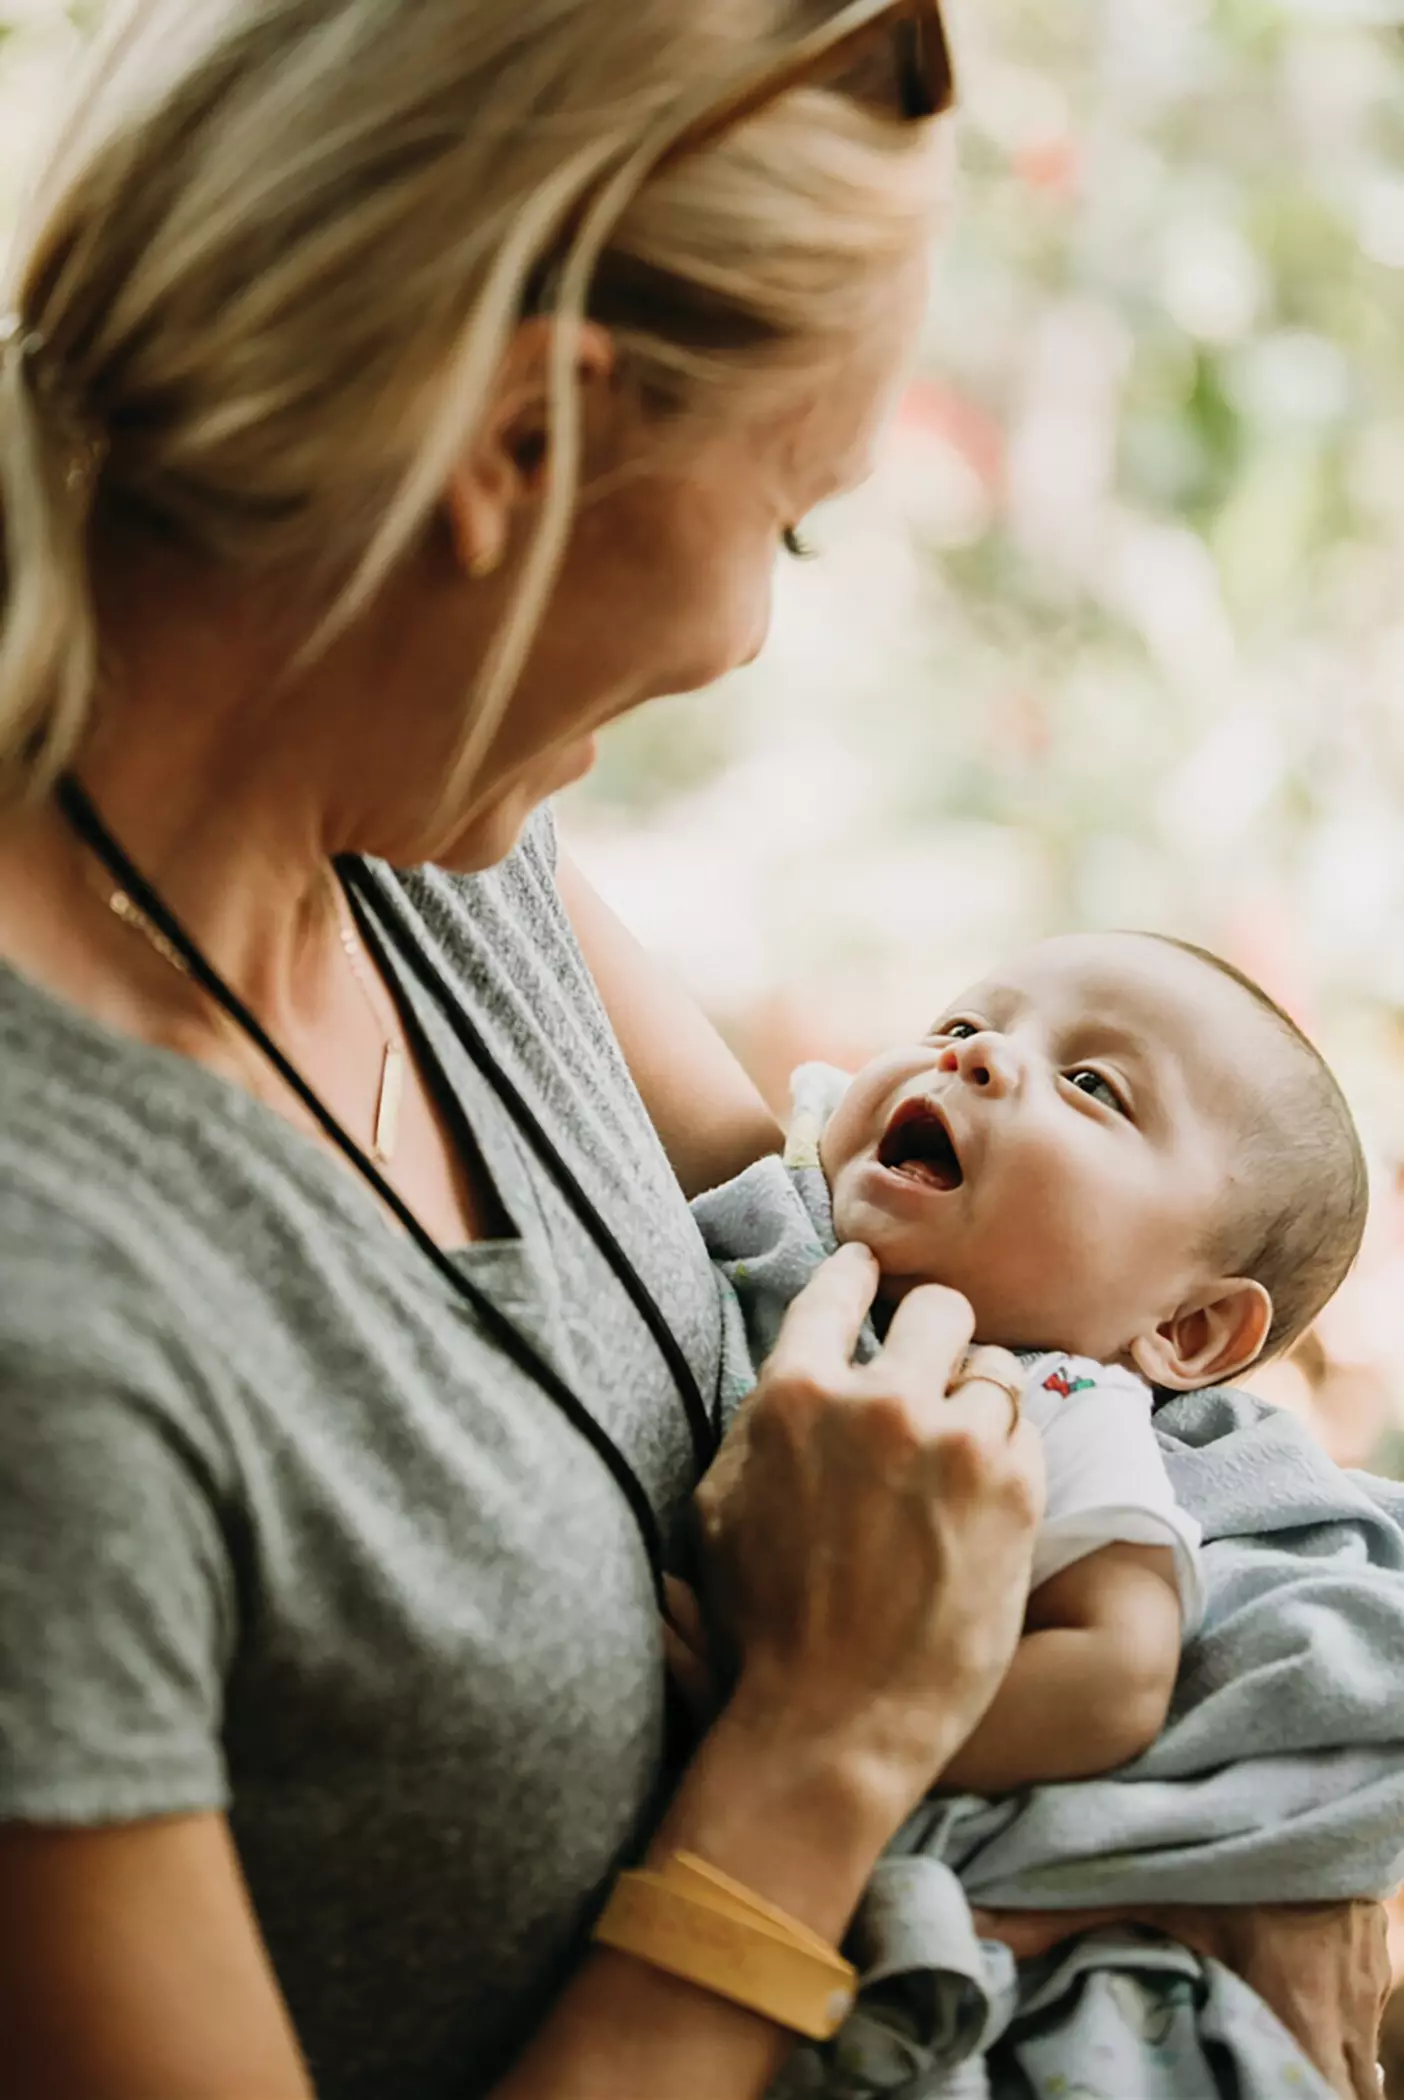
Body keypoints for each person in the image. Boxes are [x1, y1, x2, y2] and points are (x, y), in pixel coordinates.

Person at [0, 4, 1385, 2099]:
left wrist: (1286, 1793)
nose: (754, 631)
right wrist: (827, 1742)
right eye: (797, 516)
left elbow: (960, 1280)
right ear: (519, 447)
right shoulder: (58, 1325)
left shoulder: (424, 839)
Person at [697, 928, 1367, 1796]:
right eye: (962, 1023)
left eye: (1093, 1086)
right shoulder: (775, 1214)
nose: (980, 1055)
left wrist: (765, 1719)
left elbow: (1114, 1682)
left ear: (1189, 1326)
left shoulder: (1055, 1403)